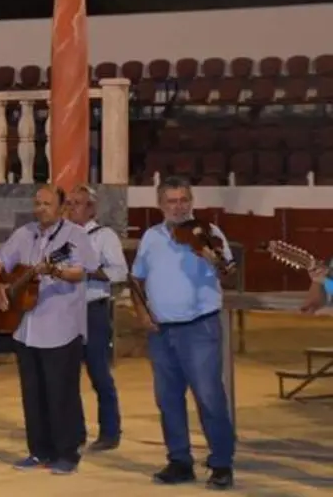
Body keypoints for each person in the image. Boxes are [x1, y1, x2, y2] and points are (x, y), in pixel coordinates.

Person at [131, 176, 236, 490]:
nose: (178, 207)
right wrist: (142, 313)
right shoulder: (151, 237)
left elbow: (229, 274)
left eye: (183, 200)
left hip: (199, 327)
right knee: (168, 398)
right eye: (172, 201)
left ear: (191, 201)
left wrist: (213, 260)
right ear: (160, 205)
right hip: (161, 330)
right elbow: (136, 278)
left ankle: (221, 463)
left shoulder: (209, 233)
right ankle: (179, 461)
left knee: (209, 396)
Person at [0, 185, 98, 476]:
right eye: (37, 203)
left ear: (62, 207)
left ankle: (67, 453)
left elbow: (80, 271)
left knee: (61, 393)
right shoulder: (25, 233)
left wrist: (55, 271)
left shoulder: (75, 236)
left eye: (47, 204)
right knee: (33, 394)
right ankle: (39, 451)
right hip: (25, 328)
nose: (40, 209)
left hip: (61, 327)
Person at [65, 185, 128, 451]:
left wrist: (88, 270)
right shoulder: (62, 236)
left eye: (77, 204)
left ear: (91, 208)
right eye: (68, 204)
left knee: (99, 372)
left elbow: (120, 272)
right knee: (66, 375)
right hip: (66, 311)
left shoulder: (104, 236)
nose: (71, 209)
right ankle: (73, 432)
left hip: (93, 310)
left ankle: (110, 432)